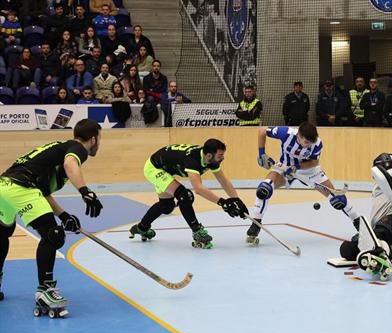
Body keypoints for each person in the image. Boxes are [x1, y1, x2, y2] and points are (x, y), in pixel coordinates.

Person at [0, 119, 104, 317]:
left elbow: (42, 191)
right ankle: (45, 290)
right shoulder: (76, 148)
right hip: (22, 188)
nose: (99, 143)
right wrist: (85, 191)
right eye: (100, 139)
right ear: (93, 139)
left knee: (3, 233)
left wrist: (63, 215)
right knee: (53, 234)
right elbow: (70, 164)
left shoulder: (56, 149)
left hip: (4, 186)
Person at [248, 122, 359, 244]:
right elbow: (262, 131)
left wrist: (296, 167)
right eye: (306, 142)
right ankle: (256, 224)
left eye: (310, 143)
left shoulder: (317, 143)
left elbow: (314, 163)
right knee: (265, 188)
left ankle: (359, 224)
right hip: (284, 168)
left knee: (337, 199)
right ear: (299, 136)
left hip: (309, 170)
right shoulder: (286, 133)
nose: (308, 146)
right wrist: (261, 154)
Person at [129, 140, 248, 249]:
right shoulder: (192, 160)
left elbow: (224, 181)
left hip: (166, 167)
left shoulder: (210, 159)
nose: (223, 158)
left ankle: (142, 228)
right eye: (220, 155)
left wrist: (237, 200)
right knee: (185, 196)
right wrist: (223, 202)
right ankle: (197, 231)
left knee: (167, 206)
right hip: (154, 169)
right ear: (209, 155)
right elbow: (198, 188)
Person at [339, 153, 392, 281]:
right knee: (346, 250)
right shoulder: (379, 187)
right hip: (385, 227)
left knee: (380, 233)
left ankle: (382, 255)